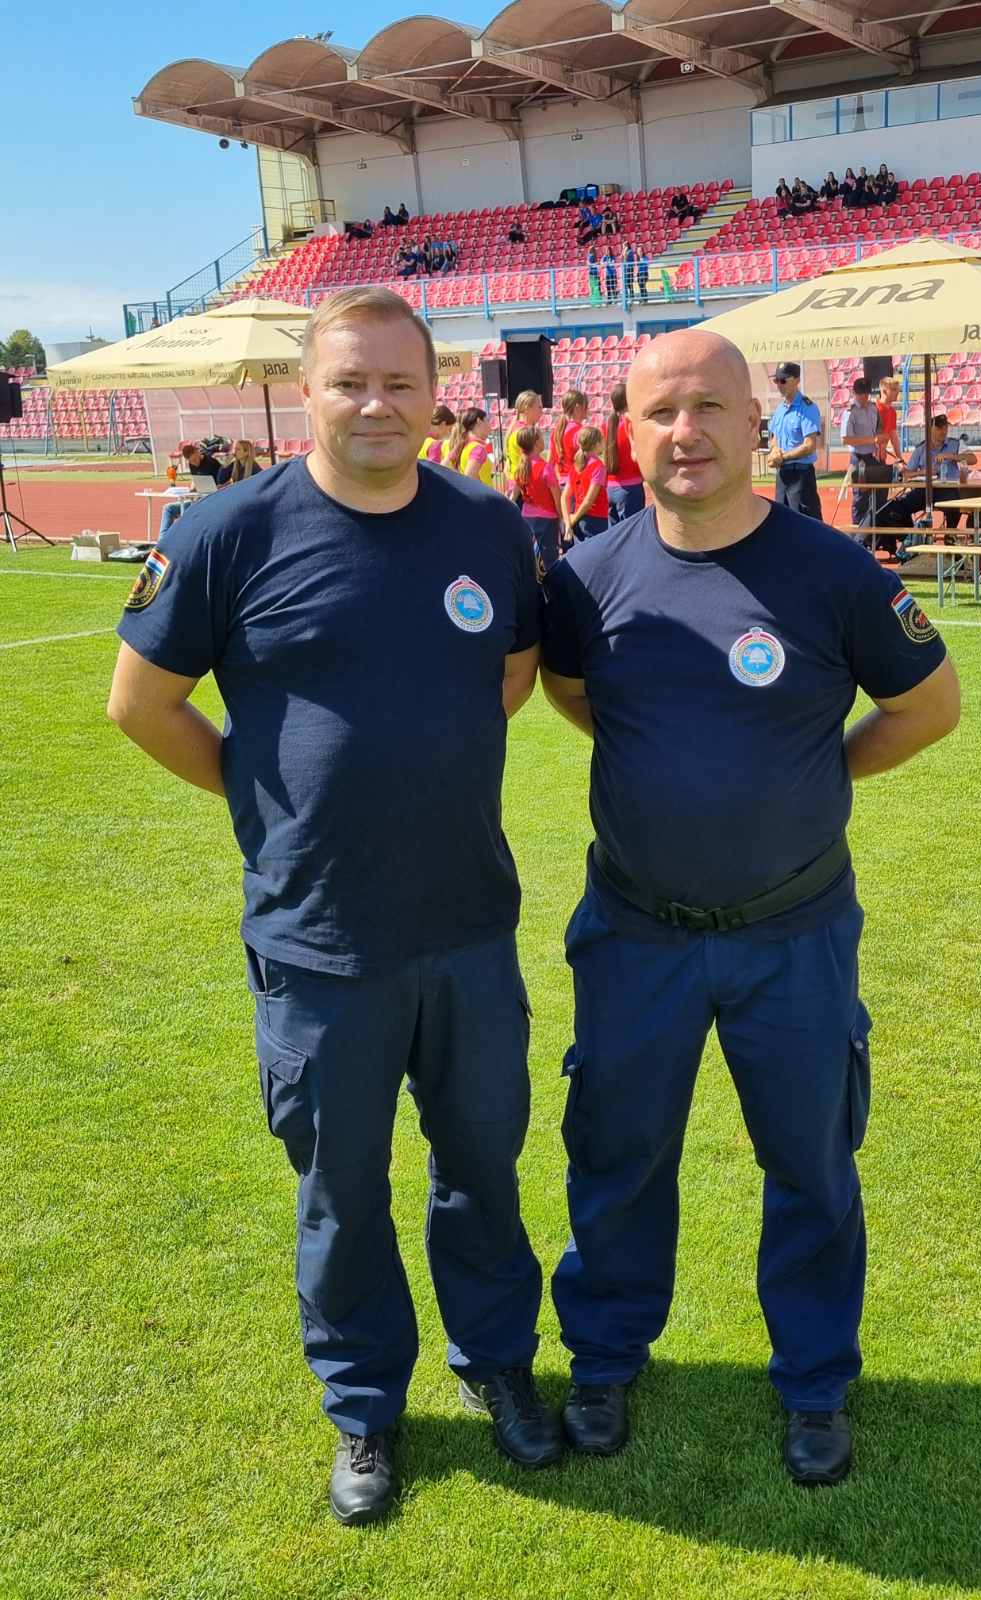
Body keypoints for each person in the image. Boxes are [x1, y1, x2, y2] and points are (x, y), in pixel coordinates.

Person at [107, 286, 560, 1530]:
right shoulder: (225, 530)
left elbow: (511, 675)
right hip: (319, 940)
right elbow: (140, 702)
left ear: (435, 395)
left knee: (483, 1164)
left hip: (468, 927)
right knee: (342, 1186)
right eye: (350, 381)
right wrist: (268, 797)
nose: (375, 404)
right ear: (307, 391)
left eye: (399, 382)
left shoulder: (487, 525)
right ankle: (364, 1403)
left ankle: (497, 1361)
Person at [538, 327, 960, 1482]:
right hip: (635, 933)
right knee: (616, 1154)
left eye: (710, 407)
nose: (686, 432)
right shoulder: (583, 579)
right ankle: (605, 1356)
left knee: (813, 1165)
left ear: (756, 424)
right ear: (628, 432)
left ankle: (815, 1383)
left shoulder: (836, 573)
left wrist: (818, 773)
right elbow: (575, 696)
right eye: (661, 411)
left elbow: (929, 707)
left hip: (796, 934)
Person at [874, 415, 978, 552]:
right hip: (923, 490)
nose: (943, 431)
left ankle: (950, 535)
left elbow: (973, 459)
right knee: (893, 508)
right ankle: (910, 537)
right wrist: (923, 472)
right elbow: (907, 474)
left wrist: (952, 456)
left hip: (947, 489)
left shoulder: (956, 444)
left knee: (953, 504)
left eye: (945, 428)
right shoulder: (921, 448)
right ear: (930, 429)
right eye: (939, 428)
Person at [765, 361, 822, 520]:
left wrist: (783, 457)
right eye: (776, 381)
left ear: (797, 380)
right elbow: (774, 438)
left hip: (801, 475)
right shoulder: (780, 409)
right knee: (782, 521)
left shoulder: (807, 408)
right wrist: (775, 450)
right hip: (783, 475)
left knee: (804, 522)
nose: (779, 385)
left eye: (783, 381)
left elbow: (809, 445)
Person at [510, 425, 564, 572]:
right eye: (540, 437)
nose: (543, 440)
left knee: (531, 558)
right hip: (547, 519)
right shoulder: (545, 468)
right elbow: (557, 497)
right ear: (535, 443)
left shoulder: (520, 468)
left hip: (527, 517)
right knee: (549, 560)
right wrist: (561, 517)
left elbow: (513, 496)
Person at [840, 378, 884, 528]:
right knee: (860, 497)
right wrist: (872, 439)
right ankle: (858, 529)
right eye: (860, 394)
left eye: (866, 393)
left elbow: (878, 427)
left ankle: (874, 525)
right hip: (858, 458)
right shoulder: (850, 412)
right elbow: (846, 439)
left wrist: (880, 436)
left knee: (878, 493)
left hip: (872, 456)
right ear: (854, 393)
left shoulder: (873, 408)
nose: (863, 397)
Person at [159, 442, 223, 536]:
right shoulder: (192, 464)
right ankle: (162, 539)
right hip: (197, 500)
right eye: (191, 461)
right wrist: (191, 491)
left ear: (198, 452)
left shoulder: (212, 463)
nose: (194, 463)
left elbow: (223, 483)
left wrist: (215, 488)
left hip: (210, 501)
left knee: (189, 510)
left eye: (195, 459)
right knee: (168, 508)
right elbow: (195, 480)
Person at [603, 382, 644, 525]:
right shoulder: (631, 425)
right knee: (633, 532)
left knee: (615, 534)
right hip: (630, 487)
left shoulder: (606, 426)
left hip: (610, 487)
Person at [564, 426, 608, 541]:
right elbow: (588, 501)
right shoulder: (598, 466)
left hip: (580, 516)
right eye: (602, 440)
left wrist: (568, 522)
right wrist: (573, 520)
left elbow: (565, 497)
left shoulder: (576, 466)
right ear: (596, 444)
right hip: (596, 518)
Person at [504, 390, 545, 485]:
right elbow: (534, 458)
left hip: (515, 480)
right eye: (539, 407)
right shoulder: (525, 432)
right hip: (523, 483)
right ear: (527, 409)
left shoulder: (514, 427)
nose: (541, 411)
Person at [448, 407, 494, 486]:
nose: (490, 426)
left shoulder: (464, 444)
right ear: (479, 421)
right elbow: (470, 475)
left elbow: (444, 465)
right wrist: (484, 490)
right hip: (480, 493)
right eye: (487, 421)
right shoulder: (478, 448)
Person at [550, 391, 588, 487]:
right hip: (576, 483)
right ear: (577, 408)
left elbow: (550, 461)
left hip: (560, 481)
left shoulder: (556, 431)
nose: (588, 409)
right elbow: (587, 459)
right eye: (586, 406)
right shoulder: (579, 430)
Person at [876, 376, 903, 466]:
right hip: (871, 457)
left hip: (882, 457)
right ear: (884, 391)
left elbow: (894, 436)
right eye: (894, 390)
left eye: (898, 390)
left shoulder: (892, 412)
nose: (897, 392)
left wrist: (900, 458)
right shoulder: (875, 409)